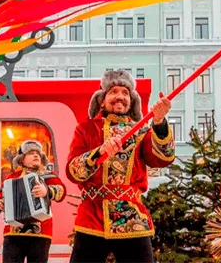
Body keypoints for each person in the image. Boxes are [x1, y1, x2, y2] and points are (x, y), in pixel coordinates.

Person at [66, 69, 175, 263]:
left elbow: (163, 159)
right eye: (114, 92)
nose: (120, 97)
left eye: (125, 93)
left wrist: (158, 122)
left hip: (133, 218)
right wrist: (98, 153)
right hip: (92, 217)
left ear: (132, 101)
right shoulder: (86, 128)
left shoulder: (141, 130)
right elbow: (74, 171)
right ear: (102, 99)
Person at [0, 140, 66, 263]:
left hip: (40, 234)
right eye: (31, 153)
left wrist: (47, 191)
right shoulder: (12, 178)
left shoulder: (48, 176)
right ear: (21, 159)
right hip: (13, 234)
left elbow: (61, 191)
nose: (36, 155)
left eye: (38, 153)